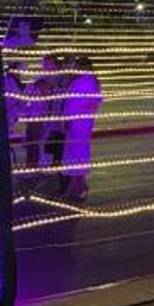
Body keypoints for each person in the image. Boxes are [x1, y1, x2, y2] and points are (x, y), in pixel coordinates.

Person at [59, 55, 102, 200]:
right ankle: (79, 186)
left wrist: (74, 117)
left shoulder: (86, 81)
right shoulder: (87, 81)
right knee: (76, 153)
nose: (76, 68)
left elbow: (89, 103)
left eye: (78, 65)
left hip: (79, 123)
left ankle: (76, 188)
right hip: (80, 122)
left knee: (76, 153)